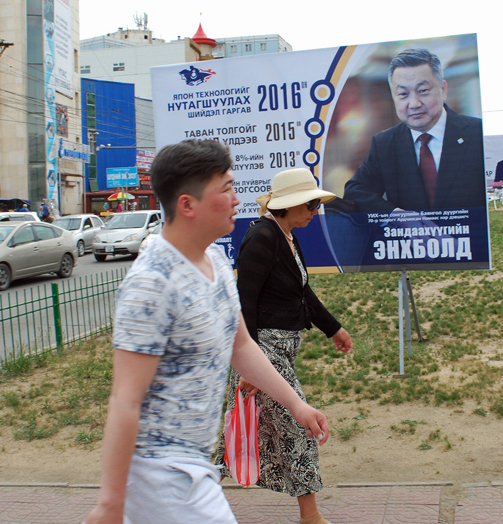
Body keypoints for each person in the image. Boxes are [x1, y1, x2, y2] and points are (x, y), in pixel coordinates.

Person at [84, 140, 331, 524]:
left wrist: (296, 405)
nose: (237, 199)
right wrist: (110, 505)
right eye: (226, 188)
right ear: (187, 205)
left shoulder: (215, 258)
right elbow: (125, 400)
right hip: (158, 475)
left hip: (193, 468)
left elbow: (242, 345)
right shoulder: (152, 282)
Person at [214, 168, 353, 524]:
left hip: (276, 351)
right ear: (289, 206)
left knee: (239, 434)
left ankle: (189, 503)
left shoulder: (286, 235)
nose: (314, 211)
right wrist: (252, 367)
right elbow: (245, 302)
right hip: (264, 351)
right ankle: (311, 516)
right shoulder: (262, 236)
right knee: (298, 426)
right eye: (310, 204)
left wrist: (333, 328)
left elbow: (302, 289)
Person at [343, 48, 485, 212]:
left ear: (443, 89)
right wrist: (397, 216)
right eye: (403, 94)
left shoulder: (477, 134)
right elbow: (355, 193)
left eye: (423, 91)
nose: (414, 103)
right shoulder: (385, 144)